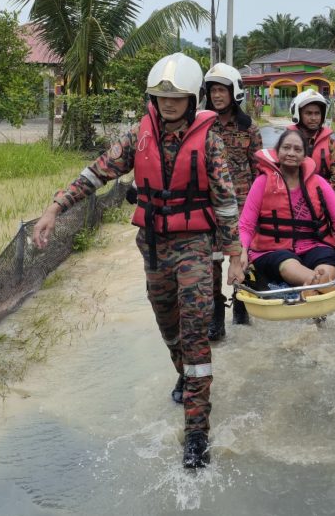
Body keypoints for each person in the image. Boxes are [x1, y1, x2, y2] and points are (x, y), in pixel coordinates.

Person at [31, 52, 244, 470]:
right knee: (170, 330)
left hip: (196, 248)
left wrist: (235, 255)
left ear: (191, 98)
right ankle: (183, 371)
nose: (168, 102)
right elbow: (96, 174)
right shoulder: (137, 136)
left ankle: (196, 432)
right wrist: (56, 208)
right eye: (161, 95)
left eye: (177, 96)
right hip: (153, 247)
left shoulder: (211, 139)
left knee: (196, 332)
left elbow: (225, 201)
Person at [239, 129, 335, 289]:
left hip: (313, 246)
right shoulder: (262, 183)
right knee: (287, 263)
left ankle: (319, 285)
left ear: (305, 155)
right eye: (286, 148)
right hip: (272, 251)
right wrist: (242, 250)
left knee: (328, 263)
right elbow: (246, 225)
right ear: (277, 152)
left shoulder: (318, 183)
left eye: (297, 149)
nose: (291, 153)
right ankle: (322, 288)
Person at [204, 63, 263, 340]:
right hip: (211, 206)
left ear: (233, 93)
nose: (217, 96)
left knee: (242, 257)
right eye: (213, 90)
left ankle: (241, 303)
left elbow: (260, 169)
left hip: (243, 206)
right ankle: (216, 313)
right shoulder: (201, 125)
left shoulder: (249, 128)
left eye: (222, 90)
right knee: (212, 260)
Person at [288, 89, 335, 194]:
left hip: (322, 198)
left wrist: (321, 195)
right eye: (308, 113)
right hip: (293, 197)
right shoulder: (287, 141)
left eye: (317, 113)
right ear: (298, 114)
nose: (313, 118)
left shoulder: (330, 144)